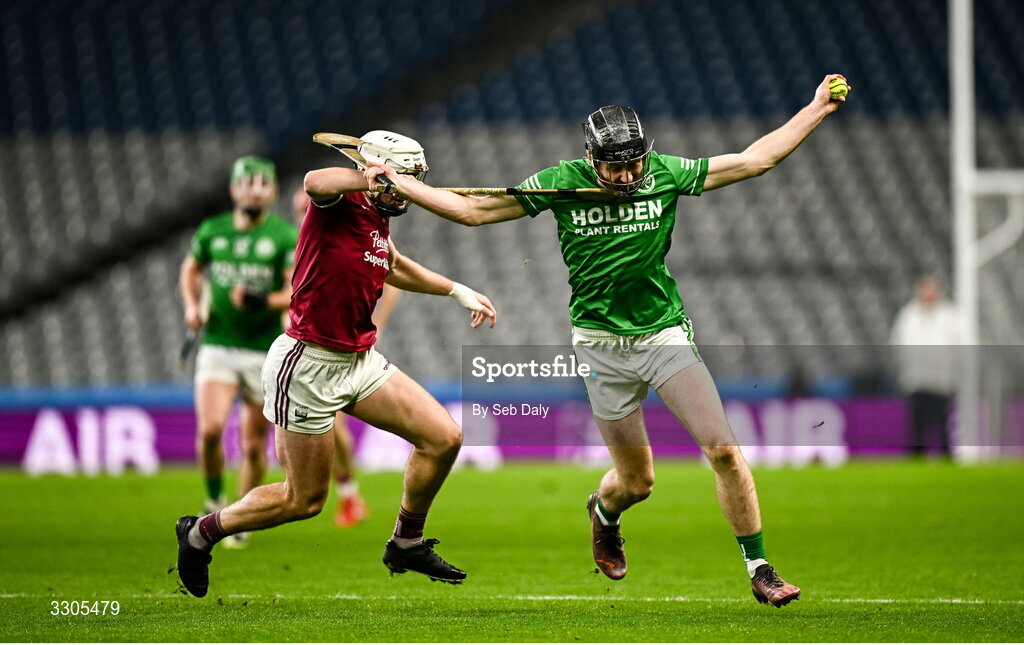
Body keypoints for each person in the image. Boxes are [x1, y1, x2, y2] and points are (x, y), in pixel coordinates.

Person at [363, 75, 852, 607]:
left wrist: (815, 109)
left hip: (663, 334)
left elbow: (753, 160)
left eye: (634, 163)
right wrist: (397, 182)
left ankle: (759, 567)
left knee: (724, 451)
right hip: (598, 345)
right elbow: (472, 211)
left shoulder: (664, 174)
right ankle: (604, 510)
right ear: (590, 158)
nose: (626, 175)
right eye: (615, 166)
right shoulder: (562, 182)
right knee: (637, 481)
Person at [175, 131, 497, 597]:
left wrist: (456, 290)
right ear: (380, 173)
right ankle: (200, 532)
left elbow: (393, 264)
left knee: (443, 437)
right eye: (408, 178)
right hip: (306, 366)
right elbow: (315, 181)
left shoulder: (375, 218)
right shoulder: (338, 204)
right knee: (302, 500)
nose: (413, 189)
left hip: (359, 361)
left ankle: (406, 541)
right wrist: (365, 178)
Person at [179, 156, 297, 549]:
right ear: (234, 189)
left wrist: (262, 300)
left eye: (263, 183)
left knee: (252, 444)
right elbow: (191, 270)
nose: (255, 189)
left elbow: (294, 291)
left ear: (272, 191)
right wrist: (192, 307)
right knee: (210, 431)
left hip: (263, 351)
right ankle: (214, 501)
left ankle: (234, 521)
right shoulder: (213, 231)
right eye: (248, 183)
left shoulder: (283, 236)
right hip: (219, 345)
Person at [290, 187, 403, 527]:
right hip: (295, 346)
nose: (303, 213)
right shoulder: (295, 243)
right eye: (299, 209)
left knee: (333, 427)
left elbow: (393, 277)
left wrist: (378, 322)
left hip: (331, 346)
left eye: (306, 207)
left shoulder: (341, 234)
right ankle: (337, 494)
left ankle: (346, 493)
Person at [890, 275, 963, 457]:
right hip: (916, 380)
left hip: (941, 380)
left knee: (943, 423)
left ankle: (947, 457)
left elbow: (961, 344)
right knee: (916, 424)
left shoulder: (950, 316)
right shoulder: (909, 315)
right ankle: (916, 457)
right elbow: (897, 343)